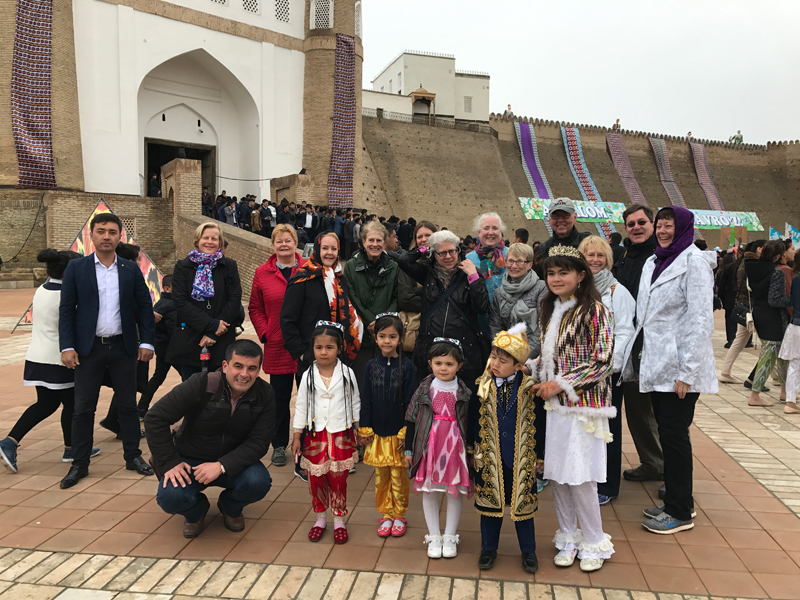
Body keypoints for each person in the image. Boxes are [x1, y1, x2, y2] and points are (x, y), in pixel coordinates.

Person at [623, 206, 717, 534]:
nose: (663, 231)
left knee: (675, 435)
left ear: (684, 228)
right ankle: (674, 499)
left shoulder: (695, 264)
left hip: (680, 369)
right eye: (660, 226)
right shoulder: (655, 261)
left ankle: (681, 510)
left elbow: (700, 319)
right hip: (658, 363)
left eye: (668, 226)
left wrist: (687, 372)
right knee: (667, 431)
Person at [530, 245, 615, 571]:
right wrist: (529, 369)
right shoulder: (551, 308)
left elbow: (603, 361)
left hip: (585, 408)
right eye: (551, 272)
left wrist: (561, 384)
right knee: (559, 476)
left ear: (581, 275)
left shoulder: (595, 310)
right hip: (556, 408)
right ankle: (568, 535)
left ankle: (593, 540)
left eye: (563, 272)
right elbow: (548, 359)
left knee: (581, 478)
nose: (555, 278)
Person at [58, 213, 155, 489]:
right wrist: (66, 346)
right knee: (83, 408)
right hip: (88, 350)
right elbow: (66, 310)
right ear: (91, 235)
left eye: (112, 232)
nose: (106, 236)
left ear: (119, 236)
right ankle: (80, 462)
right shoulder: (77, 269)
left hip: (123, 348)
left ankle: (133, 456)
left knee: (127, 405)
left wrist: (147, 342)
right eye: (101, 231)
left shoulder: (129, 269)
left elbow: (144, 308)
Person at [145, 339, 275, 538]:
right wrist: (170, 463)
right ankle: (196, 512)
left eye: (252, 368)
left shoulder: (265, 394)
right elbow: (155, 418)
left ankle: (230, 507)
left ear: (259, 370)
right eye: (238, 366)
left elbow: (259, 442)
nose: (244, 374)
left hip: (233, 461)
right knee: (170, 497)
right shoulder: (201, 383)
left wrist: (222, 465)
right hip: (190, 459)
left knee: (258, 482)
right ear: (225, 366)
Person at [0, 249, 101, 473]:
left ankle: (69, 447)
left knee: (51, 403)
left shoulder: (42, 290)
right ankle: (12, 442)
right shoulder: (65, 296)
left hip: (37, 356)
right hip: (59, 359)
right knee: (70, 405)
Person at [473, 324, 540, 574]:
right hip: (489, 457)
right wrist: (472, 450)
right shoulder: (482, 386)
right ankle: (488, 548)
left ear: (518, 366)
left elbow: (539, 425)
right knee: (490, 506)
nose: (495, 364)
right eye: (493, 357)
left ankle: (528, 551)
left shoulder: (529, 388)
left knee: (524, 506)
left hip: (521, 457)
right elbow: (472, 421)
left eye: (503, 360)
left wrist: (540, 455)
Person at [391, 230, 489, 397]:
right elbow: (403, 260)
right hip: (431, 348)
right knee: (431, 402)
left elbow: (481, 307)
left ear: (458, 250)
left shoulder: (470, 273)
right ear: (434, 255)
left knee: (461, 405)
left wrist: (474, 276)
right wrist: (425, 248)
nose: (448, 256)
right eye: (442, 253)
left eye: (452, 251)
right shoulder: (428, 273)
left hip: (463, 350)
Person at [578, 235, 636, 505]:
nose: (595, 260)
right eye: (589, 255)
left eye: (600, 255)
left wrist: (610, 365)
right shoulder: (576, 289)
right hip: (580, 370)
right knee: (585, 425)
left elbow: (625, 331)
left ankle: (608, 484)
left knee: (608, 429)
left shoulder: (616, 291)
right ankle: (587, 476)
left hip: (608, 373)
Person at [291, 321, 361, 544]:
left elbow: (355, 401)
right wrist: (296, 435)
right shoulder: (308, 375)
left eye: (329, 348)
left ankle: (339, 519)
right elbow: (301, 405)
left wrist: (358, 428)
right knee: (316, 479)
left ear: (339, 348)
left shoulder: (348, 373)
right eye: (318, 347)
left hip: (340, 434)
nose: (323, 352)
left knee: (339, 479)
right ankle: (320, 517)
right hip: (315, 436)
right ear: (312, 349)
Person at [404, 338, 473, 559]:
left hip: (455, 447)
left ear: (459, 365)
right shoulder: (425, 388)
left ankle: (450, 536)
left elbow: (471, 421)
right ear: (430, 363)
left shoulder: (465, 391)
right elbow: (411, 419)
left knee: (454, 492)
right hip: (429, 446)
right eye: (438, 363)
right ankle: (434, 536)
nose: (443, 368)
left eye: (449, 364)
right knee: (430, 490)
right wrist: (408, 449)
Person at [248, 224, 306, 467]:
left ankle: (309, 443)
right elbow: (255, 307)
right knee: (279, 399)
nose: (284, 244)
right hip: (277, 343)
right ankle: (279, 444)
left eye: (288, 240)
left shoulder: (309, 269)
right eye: (279, 241)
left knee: (308, 396)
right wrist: (265, 332)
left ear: (295, 243)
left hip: (305, 345)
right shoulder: (263, 273)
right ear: (273, 245)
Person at [613, 204, 663, 485]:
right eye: (630, 224)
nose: (636, 227)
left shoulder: (661, 257)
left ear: (652, 224)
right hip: (627, 343)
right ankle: (652, 462)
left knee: (655, 411)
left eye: (641, 222)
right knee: (636, 408)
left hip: (651, 343)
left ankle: (667, 466)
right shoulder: (625, 256)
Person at [356, 314, 417, 537]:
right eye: (382, 336)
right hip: (378, 435)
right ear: (375, 338)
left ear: (400, 339)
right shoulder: (371, 366)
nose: (387, 341)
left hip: (398, 435)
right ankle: (386, 515)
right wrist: (365, 427)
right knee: (381, 479)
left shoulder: (408, 367)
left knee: (399, 478)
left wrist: (406, 431)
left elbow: (412, 402)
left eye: (392, 336)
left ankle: (400, 515)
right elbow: (367, 399)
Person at [281, 232, 363, 379]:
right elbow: (287, 320)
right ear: (317, 250)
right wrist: (301, 354)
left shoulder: (340, 279)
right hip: (310, 359)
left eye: (334, 249)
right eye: (325, 248)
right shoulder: (301, 279)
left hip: (338, 359)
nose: (329, 253)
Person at [167, 222, 243, 382]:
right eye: (205, 238)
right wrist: (211, 325)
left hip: (221, 336)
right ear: (197, 241)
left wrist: (213, 332)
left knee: (221, 390)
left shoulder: (229, 265)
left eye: (214, 239)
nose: (210, 242)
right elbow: (180, 301)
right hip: (191, 337)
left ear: (220, 243)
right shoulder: (183, 266)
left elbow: (234, 299)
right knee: (192, 392)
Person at [344, 221, 399, 390]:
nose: (375, 244)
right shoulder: (351, 266)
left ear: (384, 242)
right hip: (361, 335)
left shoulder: (393, 266)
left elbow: (397, 297)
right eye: (371, 240)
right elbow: (351, 297)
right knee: (362, 384)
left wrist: (382, 323)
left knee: (385, 385)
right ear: (363, 242)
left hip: (386, 334)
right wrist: (370, 322)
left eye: (379, 241)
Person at [745, 240, 791, 407]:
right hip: (774, 318)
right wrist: (793, 299)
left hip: (760, 313)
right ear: (778, 256)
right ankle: (755, 394)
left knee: (780, 355)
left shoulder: (754, 268)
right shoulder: (776, 272)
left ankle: (785, 390)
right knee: (769, 356)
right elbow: (775, 300)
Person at [718, 239, 765, 383]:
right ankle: (770, 375)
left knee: (740, 340)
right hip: (752, 307)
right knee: (768, 342)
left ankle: (725, 372)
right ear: (759, 249)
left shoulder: (741, 262)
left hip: (743, 306)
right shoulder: (754, 264)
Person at [489, 242, 547, 358]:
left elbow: (542, 327)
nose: (514, 266)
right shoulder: (499, 292)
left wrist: (523, 357)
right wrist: (502, 353)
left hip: (532, 357)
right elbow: (496, 326)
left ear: (530, 265)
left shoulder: (542, 288)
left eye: (519, 261)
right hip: (506, 355)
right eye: (510, 261)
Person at [137, 274, 178, 419]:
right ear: (167, 289)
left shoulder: (161, 303)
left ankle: (141, 407)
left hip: (163, 348)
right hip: (171, 349)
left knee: (158, 377)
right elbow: (172, 329)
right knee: (190, 377)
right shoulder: (171, 305)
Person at [467, 212, 508, 302]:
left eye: (495, 228)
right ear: (479, 232)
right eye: (486, 228)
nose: (490, 232)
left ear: (501, 231)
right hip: (479, 313)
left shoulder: (512, 254)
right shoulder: (469, 259)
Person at [780, 269, 800, 414]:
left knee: (794, 363)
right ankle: (791, 399)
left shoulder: (796, 278)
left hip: (795, 325)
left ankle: (791, 398)